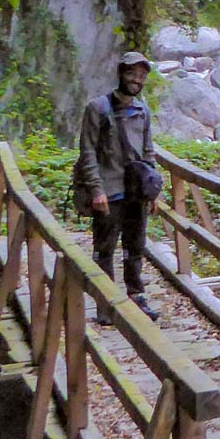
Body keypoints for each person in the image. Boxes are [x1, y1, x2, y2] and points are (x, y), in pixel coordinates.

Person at [74, 51, 160, 321]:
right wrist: (96, 190)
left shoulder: (142, 110)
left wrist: (152, 190)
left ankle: (136, 297)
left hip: (136, 189)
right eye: (132, 73)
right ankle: (105, 303)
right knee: (105, 248)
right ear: (121, 73)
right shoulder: (97, 108)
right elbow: (87, 152)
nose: (136, 79)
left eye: (141, 75)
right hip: (109, 191)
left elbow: (148, 151)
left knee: (135, 246)